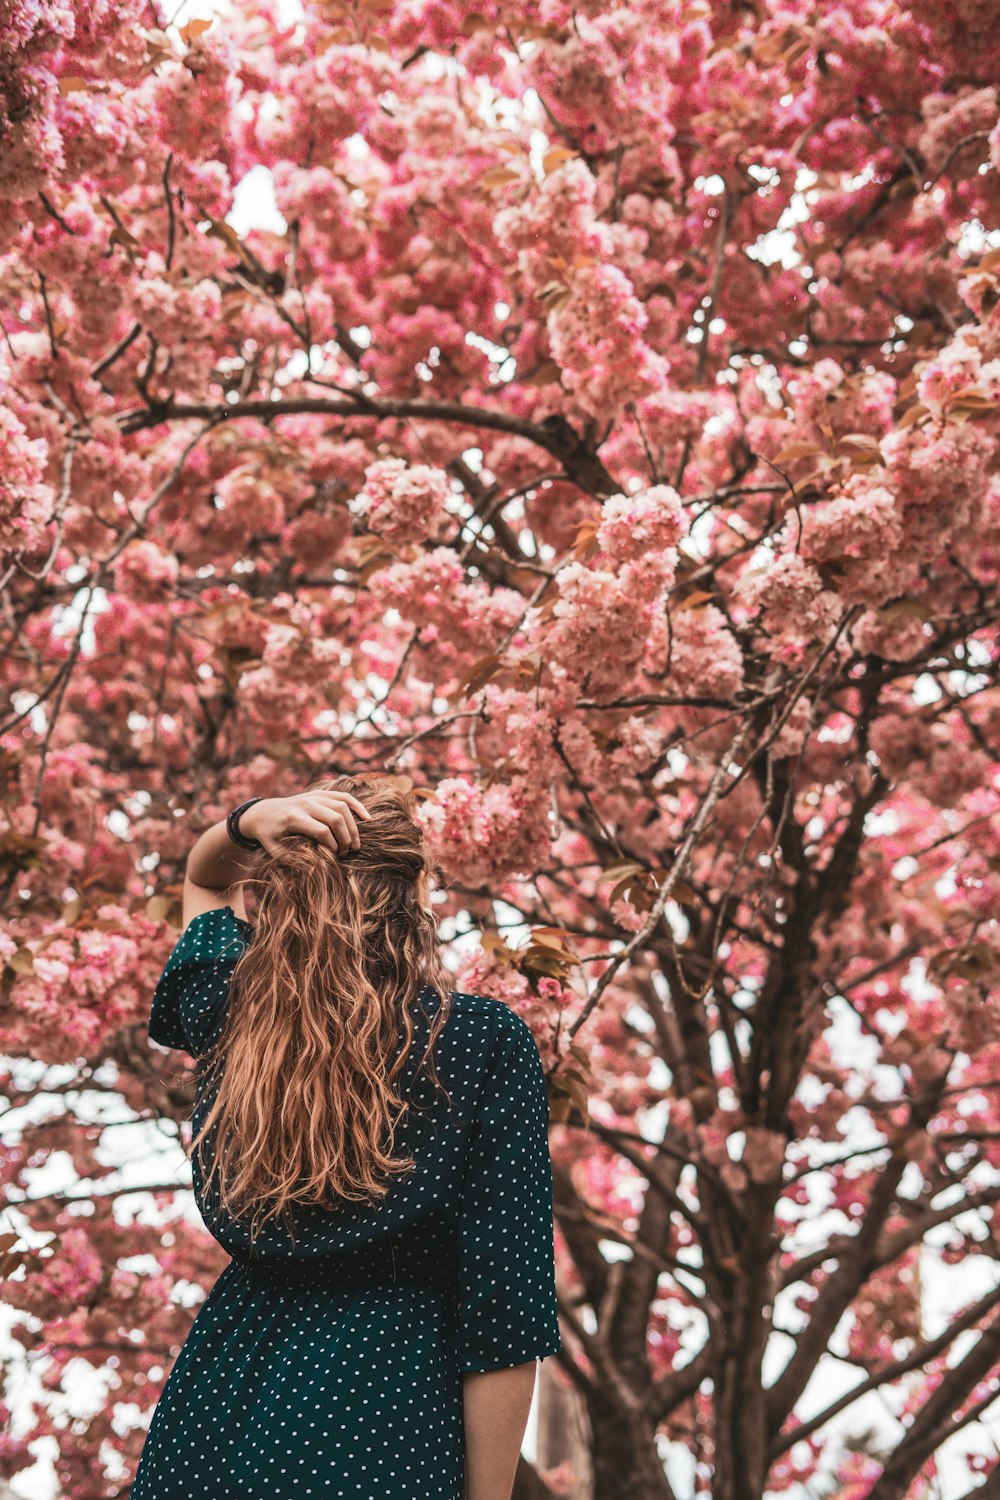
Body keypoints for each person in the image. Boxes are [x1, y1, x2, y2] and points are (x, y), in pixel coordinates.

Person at [130, 774, 562, 1500]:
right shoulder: (484, 1043)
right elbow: (504, 1319)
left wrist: (249, 823)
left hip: (222, 1404)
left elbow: (205, 886)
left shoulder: (240, 1021)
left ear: (289, 889)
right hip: (384, 1410)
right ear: (416, 891)